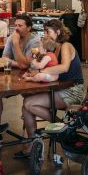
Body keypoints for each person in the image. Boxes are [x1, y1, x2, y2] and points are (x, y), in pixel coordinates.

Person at [18, 19, 84, 158]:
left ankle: (62, 128)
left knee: (29, 103)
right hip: (60, 88)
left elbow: (64, 67)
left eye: (48, 31)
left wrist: (41, 72)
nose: (45, 34)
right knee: (26, 105)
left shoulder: (66, 46)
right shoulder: (55, 47)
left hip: (73, 91)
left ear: (58, 32)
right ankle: (33, 144)